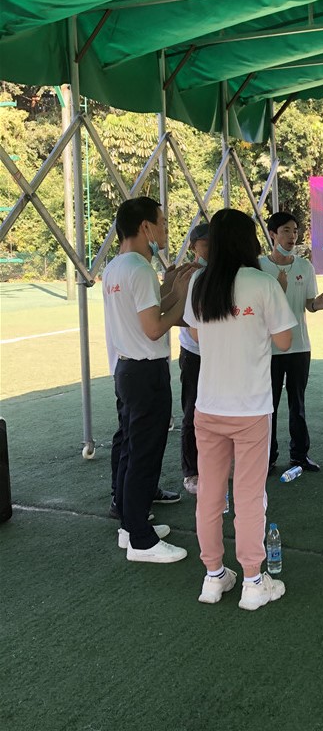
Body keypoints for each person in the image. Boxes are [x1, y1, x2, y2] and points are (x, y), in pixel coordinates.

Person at [184, 209, 296, 609]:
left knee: (210, 494)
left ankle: (213, 576)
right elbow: (284, 341)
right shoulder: (263, 283)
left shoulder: (199, 282)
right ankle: (252, 580)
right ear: (250, 241)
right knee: (249, 496)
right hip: (250, 408)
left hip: (209, 406)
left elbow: (196, 334)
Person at [102, 196, 193, 563]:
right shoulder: (139, 269)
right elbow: (154, 327)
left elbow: (149, 311)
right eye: (162, 223)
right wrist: (182, 295)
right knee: (144, 454)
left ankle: (130, 526)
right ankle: (141, 540)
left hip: (126, 369)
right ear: (145, 227)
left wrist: (170, 289)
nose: (166, 231)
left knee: (130, 449)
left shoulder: (115, 267)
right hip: (145, 371)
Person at [259, 211, 323, 473]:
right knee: (269, 405)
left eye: (295, 231)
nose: (292, 236)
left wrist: (316, 305)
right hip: (269, 349)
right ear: (273, 234)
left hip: (299, 346)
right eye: (286, 231)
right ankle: (267, 458)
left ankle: (300, 456)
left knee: (297, 404)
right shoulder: (258, 267)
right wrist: (277, 288)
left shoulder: (305, 267)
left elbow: (308, 304)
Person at [179, 222, 209, 497]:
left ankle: (217, 464)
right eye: (205, 244)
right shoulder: (187, 275)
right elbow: (183, 318)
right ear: (193, 247)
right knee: (192, 412)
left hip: (219, 353)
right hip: (195, 353)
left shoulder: (222, 272)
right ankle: (192, 471)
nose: (210, 248)